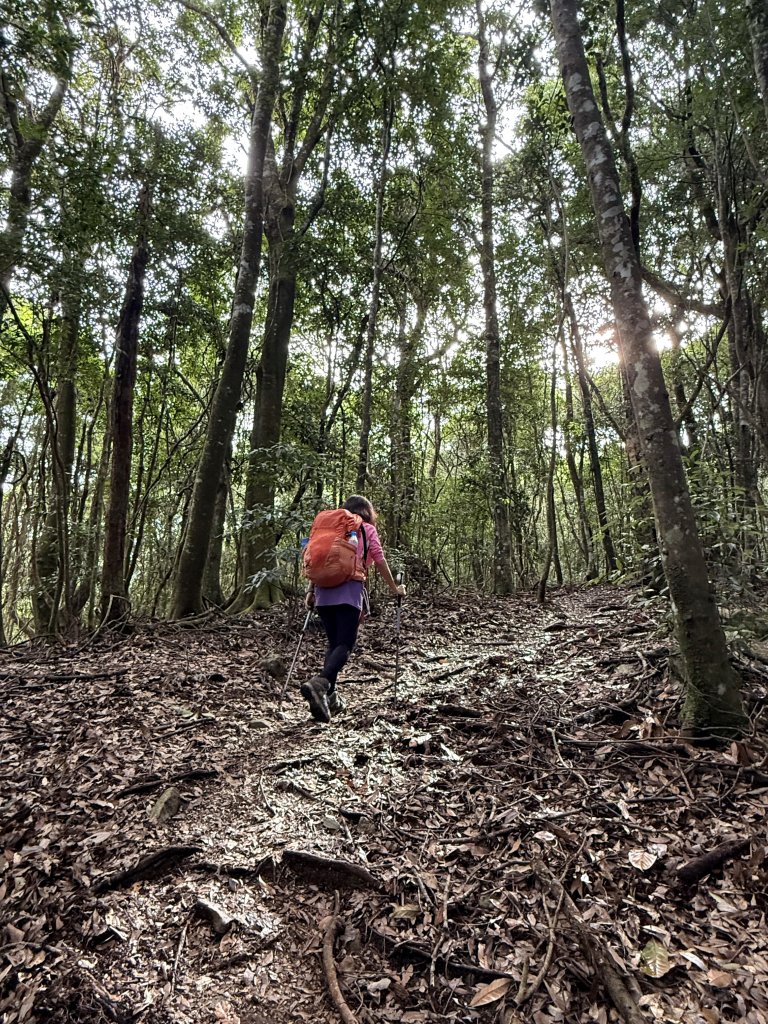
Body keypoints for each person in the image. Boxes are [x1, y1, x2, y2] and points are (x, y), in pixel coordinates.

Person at [301, 495, 406, 723]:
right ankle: (321, 682)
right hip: (349, 589)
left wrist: (310, 591)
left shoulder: (334, 529)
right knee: (346, 643)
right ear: (368, 512)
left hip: (322, 591)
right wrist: (395, 588)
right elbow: (379, 559)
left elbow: (320, 558)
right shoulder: (366, 529)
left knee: (334, 644)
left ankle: (329, 698)